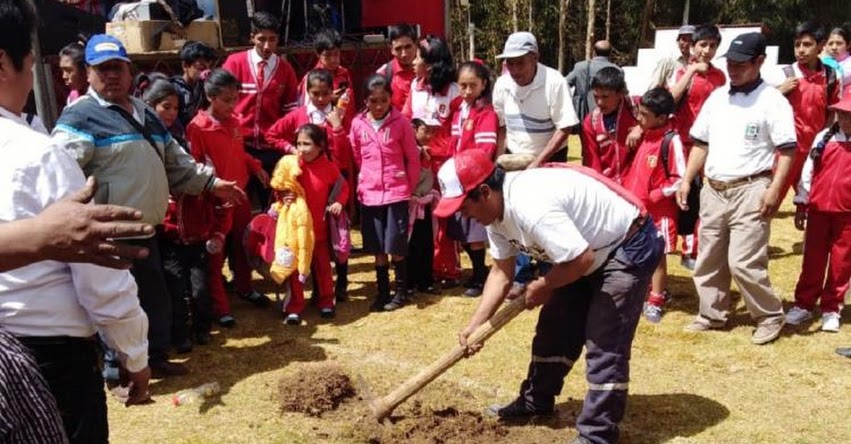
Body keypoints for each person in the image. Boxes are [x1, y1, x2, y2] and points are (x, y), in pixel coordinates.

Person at [437, 150, 662, 444]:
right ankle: (535, 401)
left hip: (626, 245)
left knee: (604, 341)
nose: (461, 215)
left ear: (484, 191)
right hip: (582, 252)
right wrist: (476, 325)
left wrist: (545, 284)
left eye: (463, 206)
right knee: (554, 329)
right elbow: (501, 273)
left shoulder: (531, 206)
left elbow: (581, 260)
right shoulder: (494, 215)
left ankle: (597, 434)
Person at [52, 34, 245, 377]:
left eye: (118, 68)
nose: (111, 76)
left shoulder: (143, 111)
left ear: (129, 71)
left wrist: (213, 184)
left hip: (147, 229)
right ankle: (118, 367)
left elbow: (175, 160)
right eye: (103, 69)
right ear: (90, 73)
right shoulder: (79, 117)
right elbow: (59, 173)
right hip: (109, 233)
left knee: (154, 298)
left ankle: (153, 359)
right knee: (115, 303)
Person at [0, 3, 150, 441]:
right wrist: (133, 353)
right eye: (30, 64)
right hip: (45, 356)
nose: (33, 80)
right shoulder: (39, 153)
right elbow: (98, 272)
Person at [677, 32, 795, 345]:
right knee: (709, 258)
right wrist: (688, 179)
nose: (733, 68)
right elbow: (701, 143)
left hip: (752, 187)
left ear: (759, 62)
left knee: (744, 261)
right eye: (730, 62)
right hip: (714, 188)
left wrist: (774, 190)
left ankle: (770, 315)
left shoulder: (773, 101)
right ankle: (712, 314)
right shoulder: (717, 98)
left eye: (741, 64)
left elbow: (787, 151)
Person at [187, 69, 271, 327]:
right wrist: (211, 191)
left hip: (241, 196)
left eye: (235, 99)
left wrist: (255, 166)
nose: (233, 105)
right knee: (215, 253)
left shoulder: (234, 123)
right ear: (211, 97)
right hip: (216, 201)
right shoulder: (198, 127)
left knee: (244, 245)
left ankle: (244, 287)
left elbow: (238, 152)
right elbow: (194, 166)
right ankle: (220, 306)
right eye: (227, 100)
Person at [349, 74, 420, 311]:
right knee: (378, 246)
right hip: (370, 195)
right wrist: (366, 180)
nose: (379, 106)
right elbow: (358, 155)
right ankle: (382, 293)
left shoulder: (401, 123)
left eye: (383, 100)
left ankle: (400, 292)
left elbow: (412, 158)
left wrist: (408, 188)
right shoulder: (358, 124)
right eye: (373, 101)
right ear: (365, 101)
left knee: (396, 244)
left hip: (396, 192)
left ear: (390, 98)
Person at [786, 97, 851, 332]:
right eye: (842, 114)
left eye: (849, 115)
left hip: (847, 215)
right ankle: (804, 304)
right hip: (818, 210)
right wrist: (802, 202)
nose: (845, 119)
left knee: (841, 263)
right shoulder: (824, 139)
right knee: (812, 259)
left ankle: (832, 307)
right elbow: (808, 172)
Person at [403, 35, 463, 290]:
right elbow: (407, 121)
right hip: (421, 165)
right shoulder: (414, 87)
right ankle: (426, 268)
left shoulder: (453, 90)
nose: (413, 61)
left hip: (445, 165)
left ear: (430, 64)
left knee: (444, 218)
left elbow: (457, 130)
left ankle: (447, 268)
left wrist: (439, 153)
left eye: (417, 57)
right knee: (423, 221)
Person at [222, 11, 299, 207]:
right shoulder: (234, 63)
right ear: (252, 37)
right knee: (237, 203)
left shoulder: (285, 69)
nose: (267, 46)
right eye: (261, 39)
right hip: (239, 146)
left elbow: (291, 112)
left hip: (271, 149)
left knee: (273, 205)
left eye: (272, 40)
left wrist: (285, 145)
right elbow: (222, 103)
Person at [622, 88, 685, 323]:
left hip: (658, 213)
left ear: (661, 118)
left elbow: (679, 177)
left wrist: (658, 193)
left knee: (657, 257)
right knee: (638, 255)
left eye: (644, 115)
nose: (639, 118)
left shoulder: (671, 141)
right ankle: (645, 293)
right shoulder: (644, 136)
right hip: (637, 210)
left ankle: (657, 299)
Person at [668, 24, 726, 270]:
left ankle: (691, 249)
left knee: (703, 198)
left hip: (710, 145)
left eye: (712, 46)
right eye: (703, 45)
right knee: (682, 195)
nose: (707, 50)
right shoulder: (680, 71)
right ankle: (671, 242)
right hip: (683, 143)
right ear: (693, 46)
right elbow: (670, 98)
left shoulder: (720, 77)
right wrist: (691, 71)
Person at [278, 124, 349, 323]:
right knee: (295, 271)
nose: (301, 148)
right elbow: (278, 188)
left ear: (320, 146)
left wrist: (338, 202)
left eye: (307, 144)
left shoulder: (328, 167)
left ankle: (326, 302)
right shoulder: (292, 166)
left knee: (323, 269)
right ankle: (294, 306)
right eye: (298, 143)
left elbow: (343, 186)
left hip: (320, 232)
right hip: (296, 233)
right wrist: (283, 196)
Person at [446, 60, 499, 296]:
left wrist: (471, 175)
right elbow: (453, 144)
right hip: (458, 177)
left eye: (472, 85)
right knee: (462, 231)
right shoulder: (459, 111)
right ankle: (478, 271)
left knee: (475, 232)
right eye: (462, 85)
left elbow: (485, 149)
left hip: (474, 179)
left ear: (483, 84)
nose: (467, 91)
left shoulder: (485, 113)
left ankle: (479, 275)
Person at [774, 21, 841, 202]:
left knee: (814, 201)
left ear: (821, 45)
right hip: (785, 150)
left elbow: (833, 112)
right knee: (770, 200)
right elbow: (764, 107)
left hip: (814, 151)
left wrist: (823, 141)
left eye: (807, 44)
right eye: (797, 45)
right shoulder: (785, 73)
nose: (801, 50)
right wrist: (780, 91)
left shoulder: (831, 76)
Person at [493, 31, 579, 168]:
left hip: (550, 159)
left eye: (520, 63)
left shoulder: (554, 82)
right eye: (510, 63)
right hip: (513, 158)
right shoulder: (502, 84)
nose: (514, 70)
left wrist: (538, 162)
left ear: (535, 58)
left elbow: (565, 127)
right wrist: (498, 161)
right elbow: (502, 126)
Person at [580, 66, 640, 184]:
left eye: (605, 96)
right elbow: (592, 165)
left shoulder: (638, 108)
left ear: (620, 93)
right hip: (608, 188)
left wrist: (641, 127)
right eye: (596, 97)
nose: (599, 102)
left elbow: (664, 110)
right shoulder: (591, 122)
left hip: (637, 184)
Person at [298, 28, 356, 126]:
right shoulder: (310, 78)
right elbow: (305, 111)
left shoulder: (344, 73)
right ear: (318, 54)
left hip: (345, 128)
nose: (333, 59)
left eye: (336, 54)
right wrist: (328, 98)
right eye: (327, 55)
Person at [566, 40, 620, 124]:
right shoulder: (617, 70)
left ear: (594, 52)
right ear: (610, 53)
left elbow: (564, 83)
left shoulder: (580, 67)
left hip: (584, 114)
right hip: (609, 116)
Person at [172, 40, 216, 128]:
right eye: (201, 67)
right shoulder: (175, 90)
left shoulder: (207, 88)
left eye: (209, 67)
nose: (206, 72)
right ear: (185, 66)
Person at [377, 23, 418, 111]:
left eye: (408, 47)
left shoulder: (428, 72)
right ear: (391, 49)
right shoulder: (384, 74)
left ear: (415, 44)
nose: (404, 54)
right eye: (398, 49)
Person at [648, 25, 695, 89]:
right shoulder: (668, 59)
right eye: (684, 39)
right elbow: (655, 84)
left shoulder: (694, 62)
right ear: (678, 41)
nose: (686, 44)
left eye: (690, 40)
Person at [823, 26, 851, 97]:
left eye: (839, 43)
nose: (834, 47)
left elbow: (836, 79)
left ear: (848, 45)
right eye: (830, 43)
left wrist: (826, 60)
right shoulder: (823, 61)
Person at [59, 39, 87, 106]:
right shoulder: (72, 98)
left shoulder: (103, 98)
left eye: (68, 70)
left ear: (85, 70)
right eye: (62, 70)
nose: (64, 76)